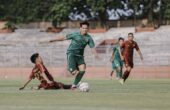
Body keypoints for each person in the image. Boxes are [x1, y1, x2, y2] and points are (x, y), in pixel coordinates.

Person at [42, 21, 99, 89]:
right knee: (74, 72)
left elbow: (92, 47)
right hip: (71, 54)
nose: (85, 29)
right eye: (83, 28)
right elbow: (63, 38)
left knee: (82, 70)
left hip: (80, 56)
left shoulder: (89, 38)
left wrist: (96, 54)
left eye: (86, 28)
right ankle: (77, 81)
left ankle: (74, 85)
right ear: (80, 28)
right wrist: (53, 40)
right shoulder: (75, 34)